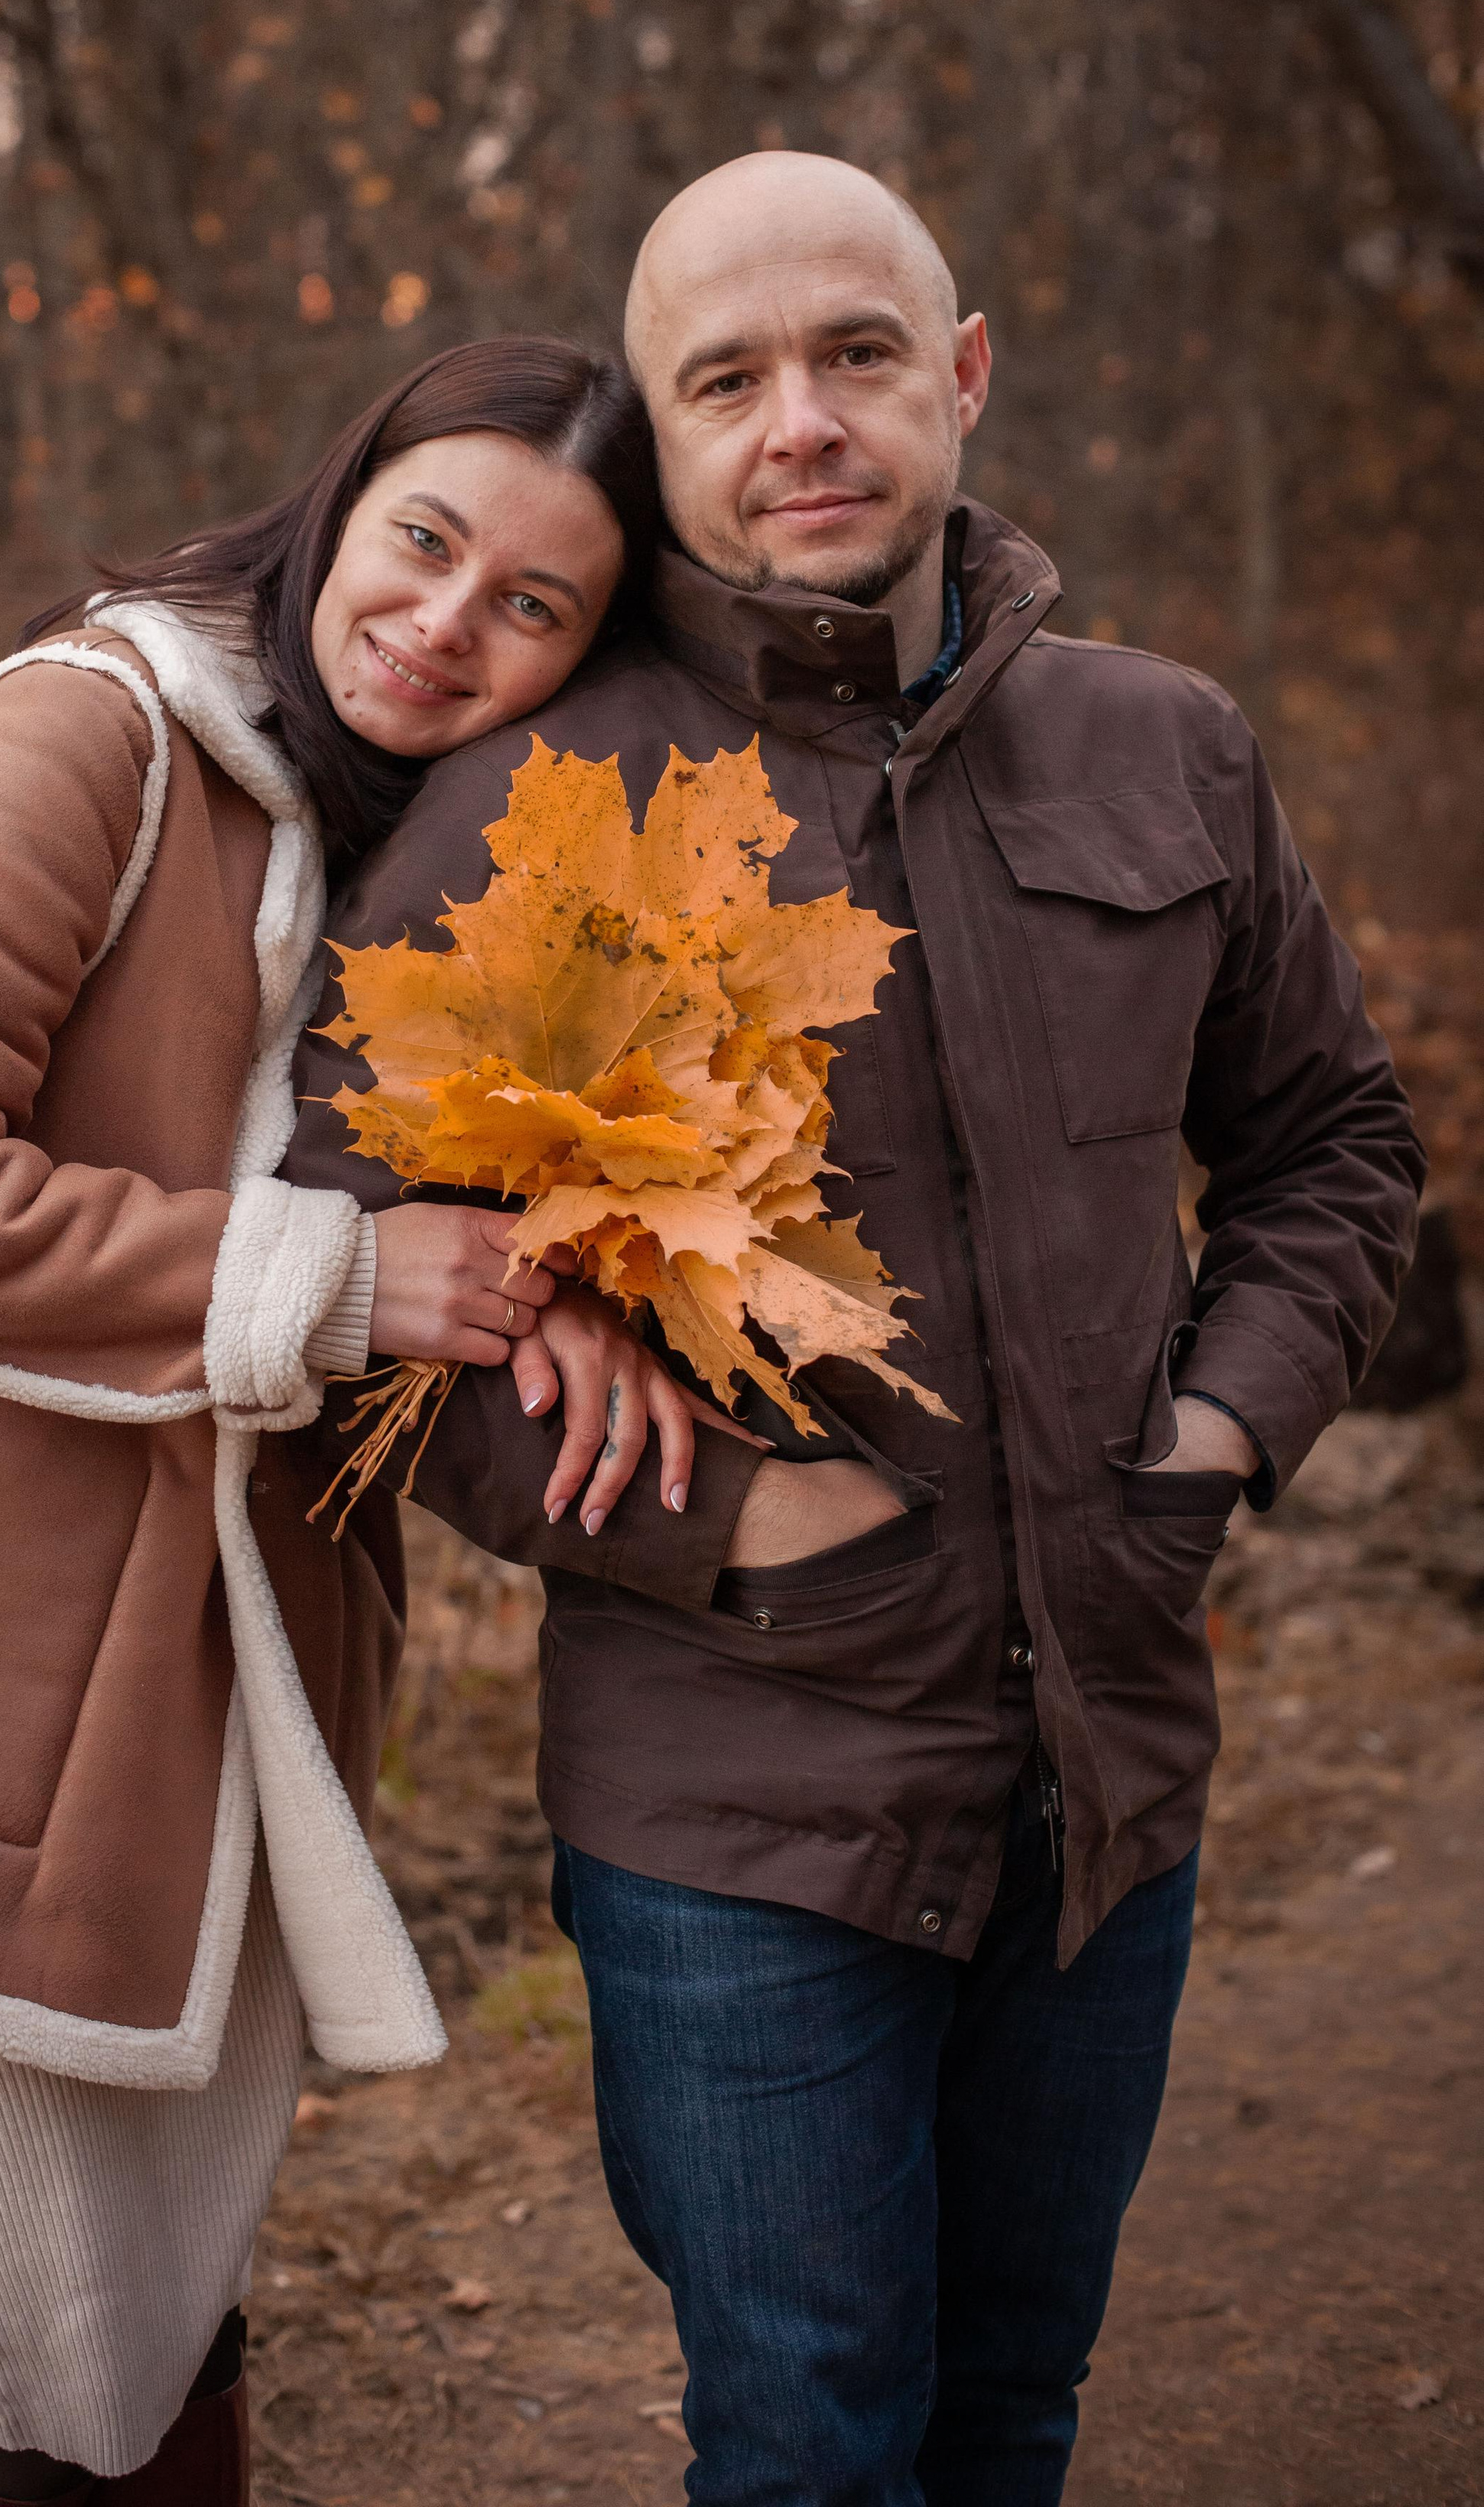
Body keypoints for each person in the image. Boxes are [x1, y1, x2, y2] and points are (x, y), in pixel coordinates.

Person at [267, 156, 1425, 2505]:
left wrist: (1216, 1435)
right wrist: (735, 1526)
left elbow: (1334, 1147)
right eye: (729, 380)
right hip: (735, 1811)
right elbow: (338, 1283)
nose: (802, 420)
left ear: (964, 379)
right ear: (667, 449)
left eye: (859, 356)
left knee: (1016, 2416)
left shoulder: (1165, 747)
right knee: (807, 2449)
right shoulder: (521, 807)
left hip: (1111, 1766)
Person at [0, 337, 706, 2507]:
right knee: (40, 2342)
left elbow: (425, 1195)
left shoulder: (391, 845)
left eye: (532, 607)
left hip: (201, 1725)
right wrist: (341, 1281)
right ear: (341, 497)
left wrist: (550, 1285)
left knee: (141, 2324)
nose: (444, 620)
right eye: (427, 539)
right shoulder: (84, 731)